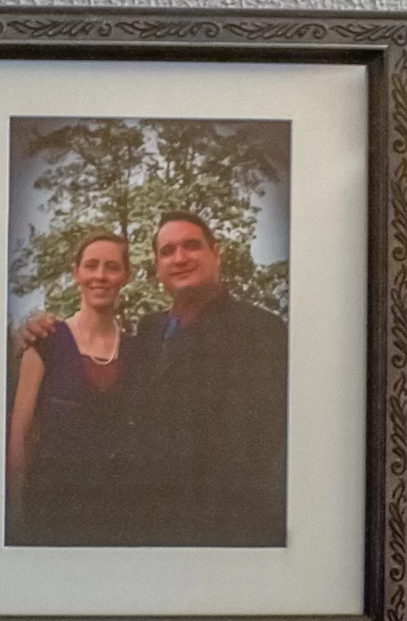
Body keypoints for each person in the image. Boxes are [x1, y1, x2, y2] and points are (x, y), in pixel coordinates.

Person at [19, 211, 288, 547]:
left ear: (215, 253)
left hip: (217, 533)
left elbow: (264, 448)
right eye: (167, 251)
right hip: (135, 525)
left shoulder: (259, 330)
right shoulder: (149, 331)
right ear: (158, 268)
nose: (180, 258)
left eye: (191, 246)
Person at [6, 232, 132, 546]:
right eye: (91, 265)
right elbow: (19, 433)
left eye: (112, 267)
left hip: (116, 516)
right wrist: (14, 511)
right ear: (76, 273)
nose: (100, 276)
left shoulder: (135, 349)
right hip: (51, 510)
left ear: (125, 276)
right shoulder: (45, 341)